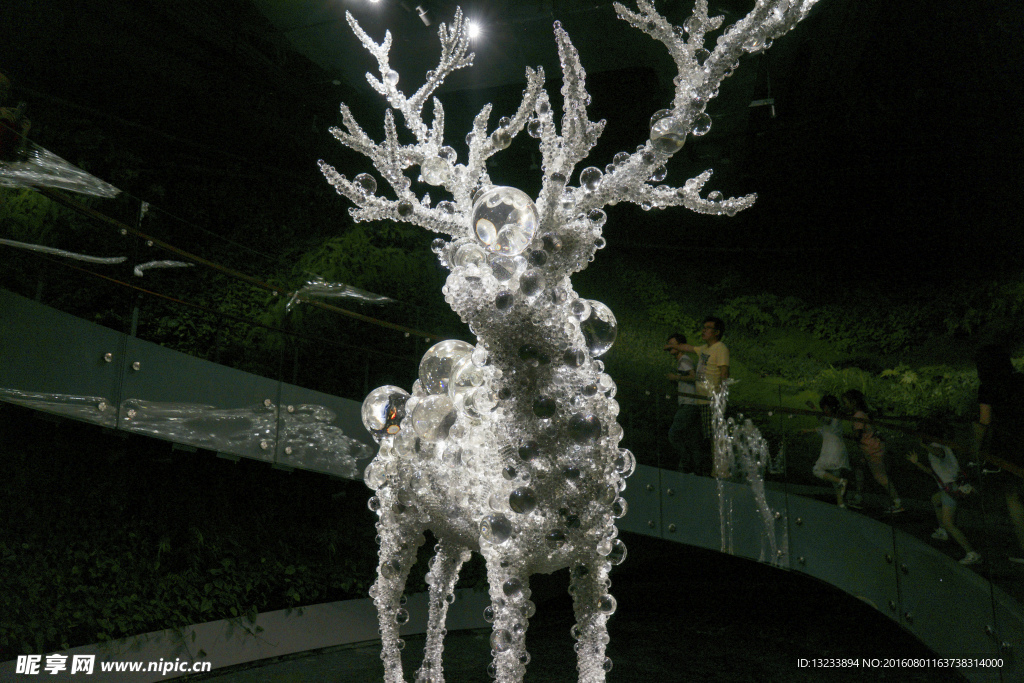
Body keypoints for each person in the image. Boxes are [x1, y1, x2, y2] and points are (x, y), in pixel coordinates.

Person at [974, 343, 1024, 563]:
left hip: (1008, 445)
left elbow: (984, 422)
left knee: (1013, 496)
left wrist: (976, 449)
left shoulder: (988, 387)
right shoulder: (1021, 379)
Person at [906, 436, 981, 565]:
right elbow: (932, 472)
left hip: (951, 488)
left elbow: (939, 453)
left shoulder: (937, 447)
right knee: (935, 500)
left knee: (948, 522)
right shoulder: (939, 446)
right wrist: (916, 462)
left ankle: (972, 553)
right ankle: (942, 532)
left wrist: (924, 446)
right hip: (948, 487)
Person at [672, 317, 730, 477]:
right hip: (702, 400)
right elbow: (689, 348)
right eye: (703, 327)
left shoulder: (720, 348)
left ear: (717, 332)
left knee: (714, 435)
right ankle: (711, 468)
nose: (703, 330)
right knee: (707, 435)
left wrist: (721, 395)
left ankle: (720, 470)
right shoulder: (705, 348)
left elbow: (724, 372)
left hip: (712, 399)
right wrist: (674, 345)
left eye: (708, 328)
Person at [841, 389, 903, 514]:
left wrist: (843, 435)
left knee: (880, 477)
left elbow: (857, 435)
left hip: (873, 450)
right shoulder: (860, 414)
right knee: (859, 467)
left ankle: (898, 503)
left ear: (853, 403)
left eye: (846, 402)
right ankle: (858, 497)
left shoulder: (858, 416)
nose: (844, 405)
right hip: (870, 449)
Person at [664, 333, 704, 474]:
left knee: (674, 434)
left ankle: (686, 464)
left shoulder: (684, 360)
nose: (670, 347)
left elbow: (693, 377)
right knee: (692, 438)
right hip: (691, 404)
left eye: (673, 344)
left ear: (680, 346)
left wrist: (675, 377)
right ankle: (697, 470)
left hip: (689, 404)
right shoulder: (683, 360)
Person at [801, 395, 850, 507]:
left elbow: (824, 421)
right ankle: (841, 503)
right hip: (834, 450)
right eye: (824, 409)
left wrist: (813, 408)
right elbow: (823, 429)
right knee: (835, 477)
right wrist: (807, 431)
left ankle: (842, 482)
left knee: (817, 470)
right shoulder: (831, 420)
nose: (825, 411)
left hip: (833, 451)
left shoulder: (835, 418)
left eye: (827, 409)